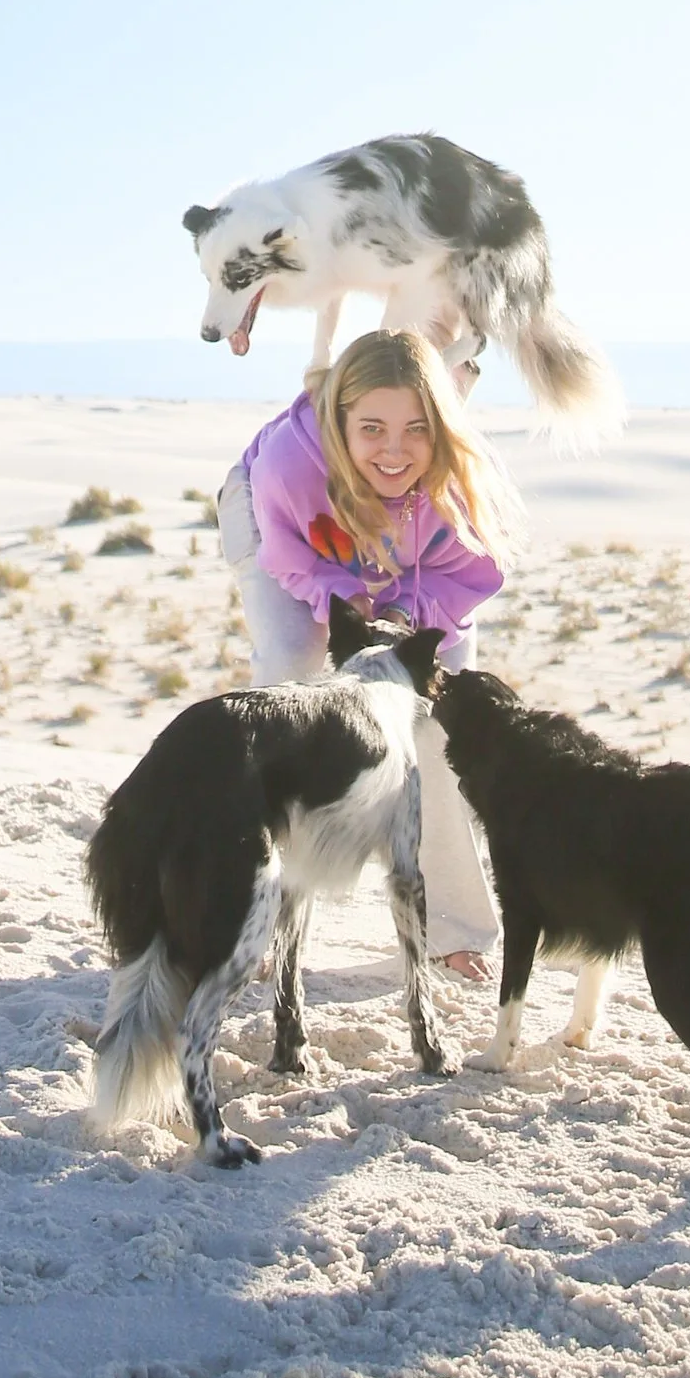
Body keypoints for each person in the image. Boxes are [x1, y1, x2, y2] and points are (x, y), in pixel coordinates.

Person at [217, 325, 514, 975]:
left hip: (413, 566)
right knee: (291, 672)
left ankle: (452, 928)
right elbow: (288, 555)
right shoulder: (289, 467)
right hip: (285, 533)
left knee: (436, 724)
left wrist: (407, 614)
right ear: (338, 418)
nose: (394, 449)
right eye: (372, 427)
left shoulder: (460, 481)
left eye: (416, 429)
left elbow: (471, 577)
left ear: (440, 426)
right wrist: (346, 600)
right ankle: (257, 911)